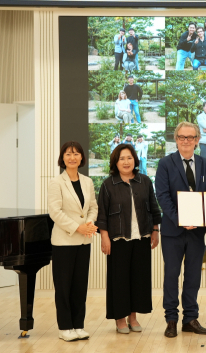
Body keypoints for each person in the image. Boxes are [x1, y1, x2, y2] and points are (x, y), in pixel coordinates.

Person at [155, 122, 206, 338]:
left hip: (197, 232)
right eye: (182, 137)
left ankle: (190, 318)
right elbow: (162, 196)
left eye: (191, 137)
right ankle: (171, 319)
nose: (187, 141)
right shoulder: (165, 164)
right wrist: (180, 219)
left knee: (193, 276)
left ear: (197, 140)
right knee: (171, 275)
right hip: (173, 231)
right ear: (176, 139)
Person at [96, 144, 161, 334]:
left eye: (129, 158)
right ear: (115, 162)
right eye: (122, 158)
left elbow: (154, 208)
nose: (126, 162)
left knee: (138, 279)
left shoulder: (145, 181)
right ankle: (120, 319)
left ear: (135, 160)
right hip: (117, 240)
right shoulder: (108, 184)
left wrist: (155, 230)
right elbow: (102, 214)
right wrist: (104, 237)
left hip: (141, 238)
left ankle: (133, 317)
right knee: (119, 280)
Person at [48, 141, 99, 342]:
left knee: (80, 285)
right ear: (62, 158)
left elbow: (93, 207)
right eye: (68, 154)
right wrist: (78, 227)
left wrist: (89, 222)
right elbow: (55, 212)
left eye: (76, 154)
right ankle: (65, 327)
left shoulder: (87, 182)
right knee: (64, 286)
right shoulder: (56, 182)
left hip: (84, 242)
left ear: (81, 158)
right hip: (64, 242)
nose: (72, 157)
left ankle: (78, 325)